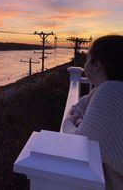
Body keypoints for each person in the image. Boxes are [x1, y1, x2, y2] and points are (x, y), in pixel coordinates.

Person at [62, 35, 123, 190]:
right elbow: (81, 106)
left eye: (87, 58)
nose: (85, 63)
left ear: (96, 64)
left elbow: (79, 143)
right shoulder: (105, 89)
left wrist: (69, 123)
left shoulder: (111, 91)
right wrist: (81, 121)